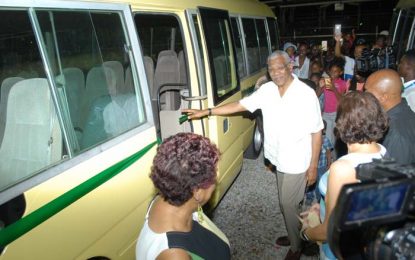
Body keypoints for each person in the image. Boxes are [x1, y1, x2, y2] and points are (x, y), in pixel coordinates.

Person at [183, 50, 323, 260]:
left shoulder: (305, 93)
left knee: (287, 203)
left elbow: (316, 131)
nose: (275, 73)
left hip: (298, 160)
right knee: (289, 203)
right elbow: (240, 105)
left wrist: (313, 166)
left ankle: (297, 246)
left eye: (280, 68)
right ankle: (297, 234)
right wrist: (208, 111)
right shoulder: (266, 90)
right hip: (277, 158)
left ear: (290, 68)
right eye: (271, 69)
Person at [300, 91, 389, 260]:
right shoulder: (382, 151)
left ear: (341, 124)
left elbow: (329, 231)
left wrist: (306, 234)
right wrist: (324, 205)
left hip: (337, 251)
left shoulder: (343, 168)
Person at [135, 133, 231, 260]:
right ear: (197, 191)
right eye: (213, 177)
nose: (216, 180)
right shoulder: (175, 255)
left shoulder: (165, 198)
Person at [364, 69, 415, 165]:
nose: (363, 96)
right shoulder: (405, 114)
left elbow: (394, 176)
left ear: (383, 97)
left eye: (367, 91)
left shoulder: (396, 134)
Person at [317, 57, 348, 156]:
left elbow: (342, 100)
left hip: (336, 113)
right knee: (328, 137)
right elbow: (316, 95)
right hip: (326, 113)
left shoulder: (342, 83)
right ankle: (329, 157)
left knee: (335, 136)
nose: (333, 74)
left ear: (340, 72)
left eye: (336, 72)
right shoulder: (326, 81)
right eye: (331, 71)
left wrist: (334, 88)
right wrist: (321, 87)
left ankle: (335, 156)